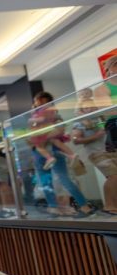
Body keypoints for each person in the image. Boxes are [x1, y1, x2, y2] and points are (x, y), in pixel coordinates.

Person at [73, 87, 117, 215]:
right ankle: (109, 206)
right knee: (113, 176)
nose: (91, 109)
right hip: (96, 153)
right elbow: (76, 140)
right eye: (87, 107)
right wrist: (95, 136)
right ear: (82, 108)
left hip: (110, 150)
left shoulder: (101, 118)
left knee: (114, 178)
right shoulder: (80, 122)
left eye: (93, 106)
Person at [28, 91, 78, 170]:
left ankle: (49, 158)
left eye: (35, 101)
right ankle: (71, 154)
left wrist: (32, 119)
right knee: (55, 141)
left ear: (40, 101)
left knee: (39, 146)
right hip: (51, 131)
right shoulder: (52, 109)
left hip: (45, 131)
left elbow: (42, 120)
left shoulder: (42, 111)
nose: (35, 103)